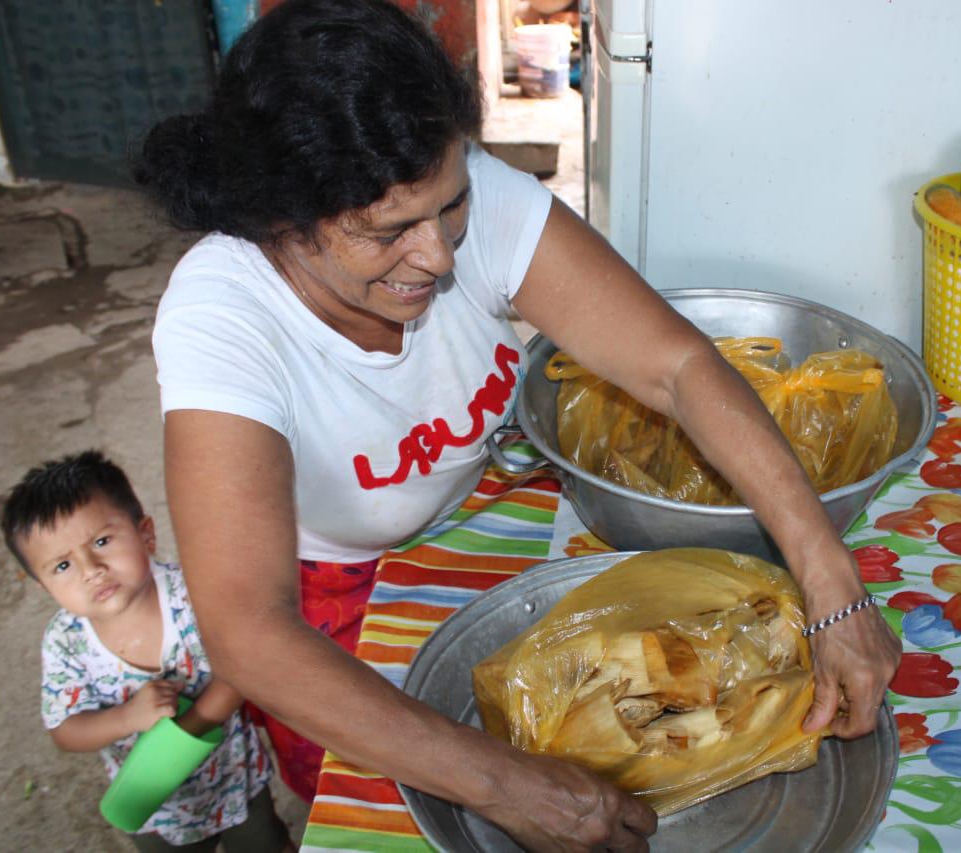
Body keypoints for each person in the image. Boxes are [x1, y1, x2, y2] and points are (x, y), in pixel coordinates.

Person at [134, 0, 901, 848]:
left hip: (484, 509)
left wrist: (831, 581)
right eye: (389, 233)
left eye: (450, 208)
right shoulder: (222, 314)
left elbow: (678, 369)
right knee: (375, 810)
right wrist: (505, 784)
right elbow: (247, 630)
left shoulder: (452, 192)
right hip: (333, 600)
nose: (438, 255)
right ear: (284, 220)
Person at [2, 451, 293, 853]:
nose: (91, 569)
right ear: (42, 585)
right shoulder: (65, 643)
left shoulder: (194, 594)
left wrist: (192, 723)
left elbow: (244, 660)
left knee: (265, 844)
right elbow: (65, 730)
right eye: (62, 566)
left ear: (146, 534)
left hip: (236, 776)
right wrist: (127, 717)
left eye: (102, 541)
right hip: (155, 802)